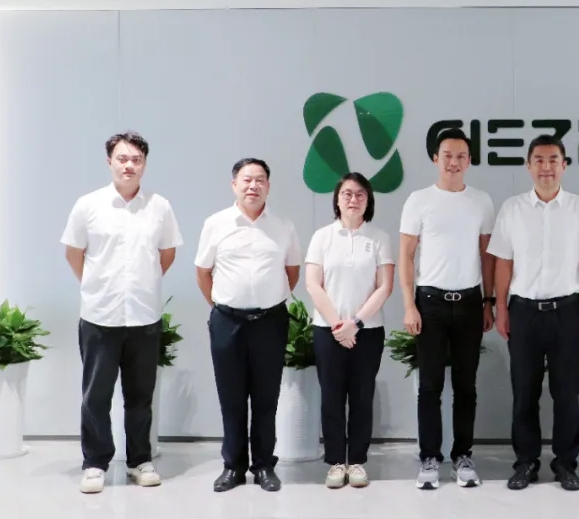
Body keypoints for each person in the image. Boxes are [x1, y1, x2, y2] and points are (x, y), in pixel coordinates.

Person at [61, 131, 182, 494]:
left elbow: (167, 253)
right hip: (100, 315)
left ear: (144, 164)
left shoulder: (159, 207)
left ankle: (139, 460)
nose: (129, 165)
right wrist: (97, 285)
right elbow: (73, 252)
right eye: (122, 158)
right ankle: (95, 463)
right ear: (109, 161)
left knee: (140, 396)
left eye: (136, 160)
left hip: (144, 317)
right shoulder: (88, 205)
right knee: (95, 396)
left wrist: (143, 283)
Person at [488, 134, 579, 492]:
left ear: (564, 165)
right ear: (528, 166)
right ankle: (526, 462)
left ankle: (565, 463)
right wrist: (500, 306)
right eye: (539, 160)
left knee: (566, 393)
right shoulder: (512, 209)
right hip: (523, 312)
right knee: (524, 392)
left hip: (567, 311)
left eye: (554, 159)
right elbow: (503, 263)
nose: (546, 167)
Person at [195, 158, 303, 493]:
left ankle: (264, 466)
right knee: (231, 397)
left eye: (260, 180)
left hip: (270, 321)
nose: (253, 185)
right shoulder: (216, 224)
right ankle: (233, 466)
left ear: (268, 186)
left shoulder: (283, 226)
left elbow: (292, 271)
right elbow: (203, 272)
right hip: (227, 321)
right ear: (234, 185)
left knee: (266, 398)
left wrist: (268, 298)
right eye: (246, 179)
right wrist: (221, 305)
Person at [398, 128, 496, 490]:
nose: (454, 162)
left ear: (469, 161)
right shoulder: (419, 201)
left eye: (461, 156)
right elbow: (406, 256)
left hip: (469, 303)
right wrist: (409, 305)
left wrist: (489, 301)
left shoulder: (481, 201)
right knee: (430, 386)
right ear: (435, 159)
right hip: (430, 303)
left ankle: (462, 456)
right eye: (447, 156)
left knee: (466, 386)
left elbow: (487, 256)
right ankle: (429, 457)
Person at [304, 173, 394, 489]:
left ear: (368, 200)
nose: (353, 199)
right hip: (327, 330)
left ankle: (356, 461)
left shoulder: (379, 238)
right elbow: (313, 284)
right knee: (331, 397)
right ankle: (334, 462)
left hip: (368, 331)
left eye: (359, 194)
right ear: (337, 199)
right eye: (346, 193)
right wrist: (337, 325)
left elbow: (385, 287)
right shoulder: (322, 237)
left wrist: (355, 323)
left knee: (361, 396)